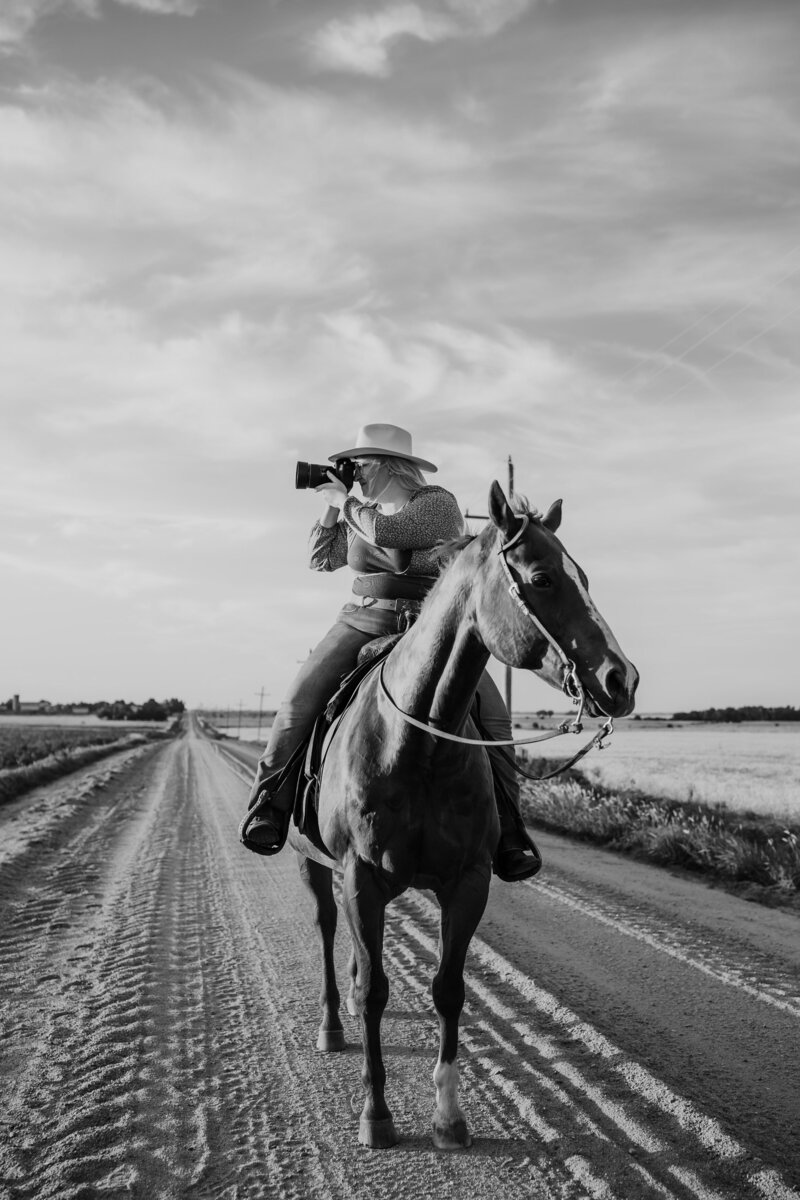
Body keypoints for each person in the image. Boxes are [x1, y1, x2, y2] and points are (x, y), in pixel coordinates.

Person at [240, 422, 541, 882]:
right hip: (362, 618)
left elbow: (391, 533)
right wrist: (330, 509)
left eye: (359, 465)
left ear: (383, 464)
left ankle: (510, 832)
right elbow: (321, 558)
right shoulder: (361, 509)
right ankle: (269, 805)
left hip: (430, 626)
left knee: (493, 718)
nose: (354, 474)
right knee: (300, 700)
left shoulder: (434, 504)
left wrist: (347, 503)